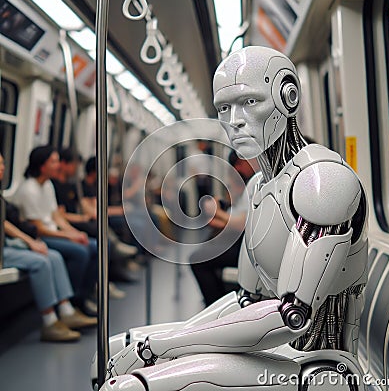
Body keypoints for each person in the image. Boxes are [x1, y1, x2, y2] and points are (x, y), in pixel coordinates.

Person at [95, 46, 368, 391]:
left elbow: (289, 317)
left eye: (250, 102)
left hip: (321, 368)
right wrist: (175, 338)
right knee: (109, 353)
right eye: (224, 108)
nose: (234, 120)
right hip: (276, 353)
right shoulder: (258, 187)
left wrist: (162, 347)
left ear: (288, 96)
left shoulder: (322, 182)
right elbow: (246, 299)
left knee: (128, 386)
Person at [0, 153, 96, 342]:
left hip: (8, 245)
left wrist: (71, 233)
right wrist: (30, 241)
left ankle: (67, 309)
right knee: (41, 262)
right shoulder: (28, 189)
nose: (2, 167)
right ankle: (49, 321)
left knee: (54, 257)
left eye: (3, 163)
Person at [52, 148, 139, 286]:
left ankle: (108, 275)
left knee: (106, 229)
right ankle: (101, 280)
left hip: (77, 219)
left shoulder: (72, 186)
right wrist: (80, 220)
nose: (76, 169)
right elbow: (61, 214)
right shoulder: (61, 186)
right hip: (69, 222)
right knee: (101, 233)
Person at [190, 151, 256, 306]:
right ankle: (218, 301)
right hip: (242, 236)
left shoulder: (256, 181)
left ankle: (216, 305)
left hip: (247, 245)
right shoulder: (246, 181)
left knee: (198, 259)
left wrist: (217, 213)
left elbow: (242, 222)